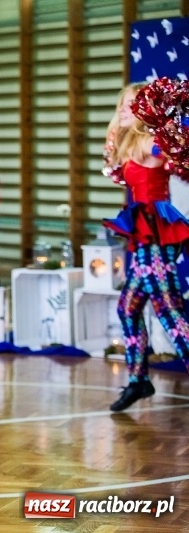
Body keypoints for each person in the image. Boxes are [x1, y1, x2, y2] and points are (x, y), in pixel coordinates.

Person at [102, 83, 189, 411]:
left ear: (144, 110)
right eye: (121, 105)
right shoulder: (128, 143)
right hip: (142, 232)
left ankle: (141, 380)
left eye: (128, 105)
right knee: (128, 307)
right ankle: (139, 380)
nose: (122, 110)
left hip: (158, 229)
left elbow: (176, 158)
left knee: (167, 309)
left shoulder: (155, 142)